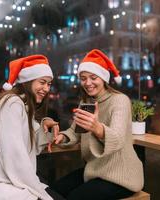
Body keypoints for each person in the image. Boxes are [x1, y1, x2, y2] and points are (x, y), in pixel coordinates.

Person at [0, 55, 65, 200]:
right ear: (28, 81)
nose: (46, 89)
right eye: (42, 82)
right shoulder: (11, 104)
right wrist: (36, 187)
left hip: (5, 182)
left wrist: (44, 125)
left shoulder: (21, 105)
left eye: (49, 84)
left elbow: (31, 141)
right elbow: (14, 154)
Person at [51, 49, 144, 200]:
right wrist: (63, 137)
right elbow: (75, 131)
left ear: (103, 78)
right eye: (83, 78)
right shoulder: (86, 103)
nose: (87, 83)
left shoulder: (119, 100)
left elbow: (118, 139)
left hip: (122, 176)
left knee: (75, 197)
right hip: (95, 170)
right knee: (53, 191)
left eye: (93, 77)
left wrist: (96, 128)